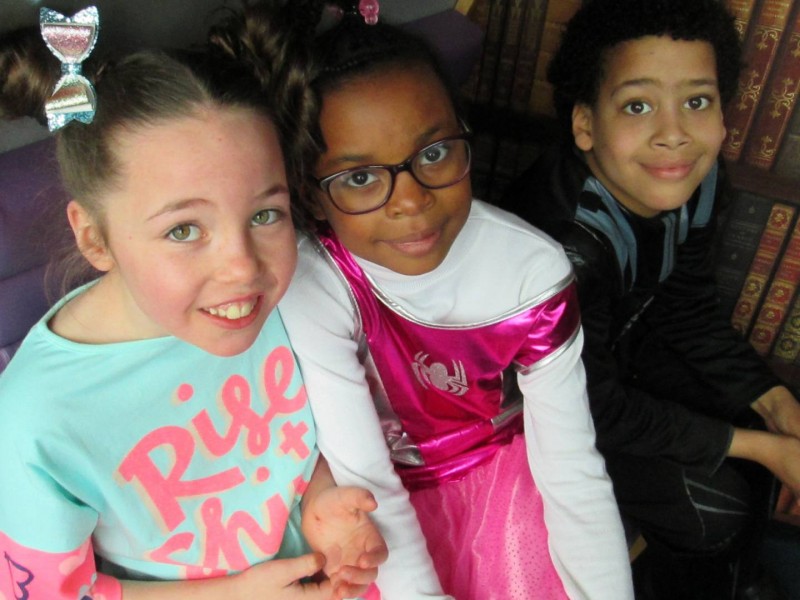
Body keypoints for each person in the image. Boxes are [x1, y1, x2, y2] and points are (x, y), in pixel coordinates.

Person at [0, 8, 387, 599]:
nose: (242, 268)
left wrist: (322, 499)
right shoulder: (34, 421)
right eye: (183, 230)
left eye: (265, 214)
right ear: (95, 238)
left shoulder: (292, 301)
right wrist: (233, 594)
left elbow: (290, 446)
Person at [274, 2, 635, 598]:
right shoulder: (314, 281)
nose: (411, 200)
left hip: (499, 484)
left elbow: (572, 470)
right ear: (311, 195)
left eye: (435, 153)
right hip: (372, 514)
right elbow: (368, 478)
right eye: (360, 177)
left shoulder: (533, 273)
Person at [499, 0, 800, 597]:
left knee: (751, 415)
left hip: (620, 347)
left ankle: (734, 578)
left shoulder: (694, 180)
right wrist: (763, 448)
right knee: (713, 509)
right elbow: (588, 405)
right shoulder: (564, 248)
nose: (674, 133)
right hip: (534, 408)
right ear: (585, 125)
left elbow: (686, 308)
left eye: (697, 102)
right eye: (638, 105)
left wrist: (777, 406)